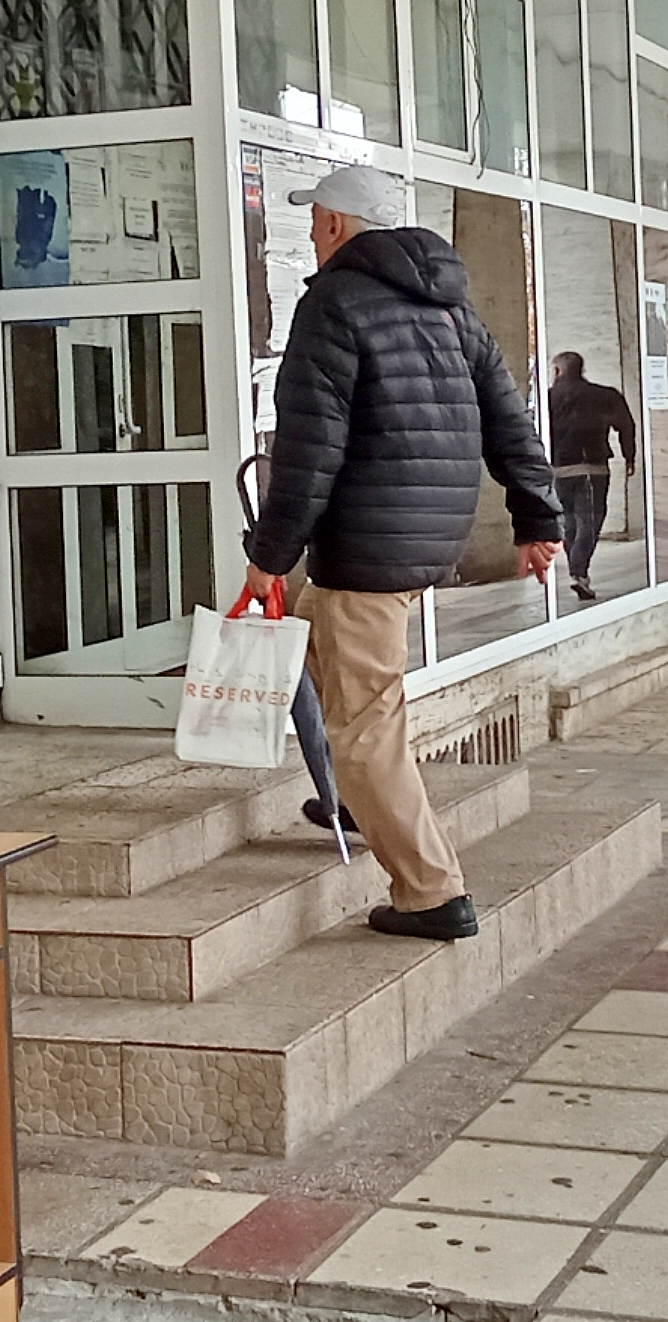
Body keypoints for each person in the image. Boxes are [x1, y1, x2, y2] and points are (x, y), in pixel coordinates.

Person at [235, 163, 561, 941]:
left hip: (367, 544)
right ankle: (363, 797)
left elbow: (308, 449)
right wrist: (536, 516)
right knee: (321, 640)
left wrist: (268, 554)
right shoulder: (449, 307)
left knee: (364, 724)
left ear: (337, 225)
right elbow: (508, 416)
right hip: (427, 535)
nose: (312, 231)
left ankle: (430, 892)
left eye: (316, 218)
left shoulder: (333, 304)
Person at [545, 351, 639, 601]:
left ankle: (578, 572)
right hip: (592, 468)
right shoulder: (605, 396)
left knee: (569, 521)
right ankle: (578, 572)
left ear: (557, 371)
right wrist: (629, 457)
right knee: (590, 520)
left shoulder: (548, 398)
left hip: (558, 469)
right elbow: (626, 425)